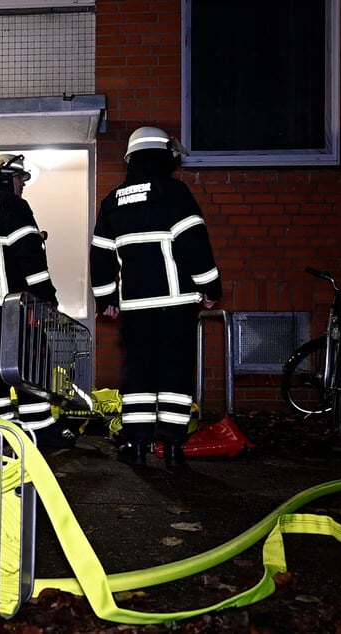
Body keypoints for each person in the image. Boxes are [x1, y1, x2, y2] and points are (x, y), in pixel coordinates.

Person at [90, 126, 222, 472]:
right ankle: (173, 448)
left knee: (138, 375)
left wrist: (104, 298)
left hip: (134, 307)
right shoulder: (173, 192)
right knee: (175, 372)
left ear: (131, 159)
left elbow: (100, 254)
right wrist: (211, 289)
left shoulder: (113, 200)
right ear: (165, 156)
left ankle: (135, 445)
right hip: (176, 303)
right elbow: (194, 243)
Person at [0, 154, 74, 447]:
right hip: (16, 308)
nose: (22, 185)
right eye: (18, 178)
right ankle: (42, 432)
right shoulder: (12, 205)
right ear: (3, 178)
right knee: (32, 364)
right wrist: (47, 301)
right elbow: (30, 257)